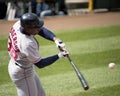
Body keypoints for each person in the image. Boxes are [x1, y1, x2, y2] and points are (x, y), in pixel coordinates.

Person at [8, 13, 69, 96]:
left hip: (22, 64)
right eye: (36, 27)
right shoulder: (26, 43)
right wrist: (59, 55)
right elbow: (40, 63)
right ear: (27, 28)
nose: (38, 29)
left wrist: (55, 39)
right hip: (22, 72)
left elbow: (40, 29)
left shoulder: (19, 24)